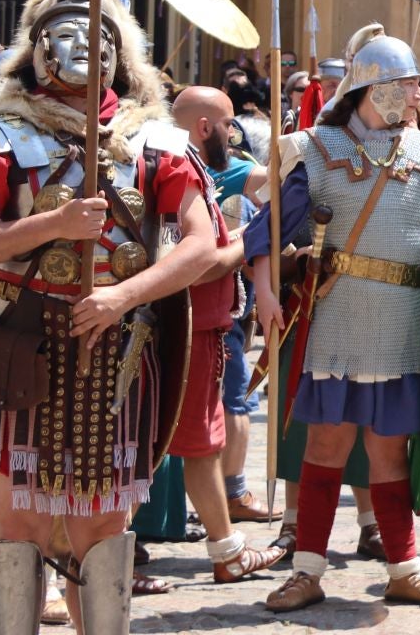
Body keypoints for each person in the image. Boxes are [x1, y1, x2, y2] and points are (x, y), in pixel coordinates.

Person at [0, 0, 217, 634]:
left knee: (102, 529)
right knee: (19, 528)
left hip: (116, 355)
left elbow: (200, 245)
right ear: (39, 49)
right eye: (68, 35)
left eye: (99, 37)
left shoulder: (157, 143)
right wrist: (51, 226)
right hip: (19, 349)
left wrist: (125, 295)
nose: (87, 49)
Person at [249, 25, 420, 613]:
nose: (418, 95)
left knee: (390, 453)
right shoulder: (316, 149)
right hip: (338, 320)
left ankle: (405, 570)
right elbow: (266, 231)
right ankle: (307, 571)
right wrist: (265, 293)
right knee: (326, 445)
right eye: (409, 85)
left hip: (404, 320)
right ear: (375, 87)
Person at [166, 87, 281, 584]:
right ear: (205, 127)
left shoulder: (188, 166)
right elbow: (204, 262)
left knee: (196, 444)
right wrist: (247, 240)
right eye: (228, 123)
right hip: (186, 325)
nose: (233, 133)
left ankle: (226, 550)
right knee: (189, 444)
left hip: (203, 326)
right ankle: (226, 551)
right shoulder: (178, 171)